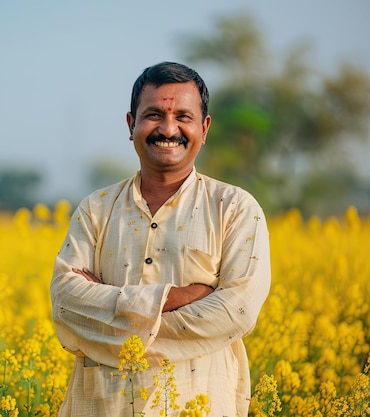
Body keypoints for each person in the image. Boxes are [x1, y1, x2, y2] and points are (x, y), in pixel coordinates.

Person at [50, 61, 271, 416]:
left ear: (204, 127)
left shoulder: (235, 208)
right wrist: (177, 297)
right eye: (154, 115)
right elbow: (64, 301)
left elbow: (237, 310)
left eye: (183, 116)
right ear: (130, 124)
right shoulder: (96, 209)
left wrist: (112, 320)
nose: (169, 129)